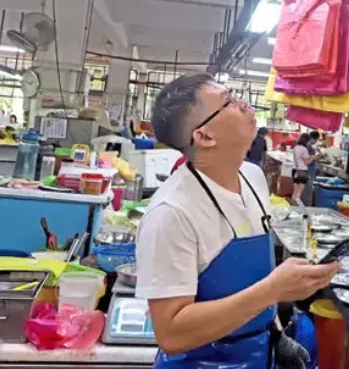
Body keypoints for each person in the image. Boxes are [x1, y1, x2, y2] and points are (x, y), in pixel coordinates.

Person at [136, 74, 337, 368]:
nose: (244, 104)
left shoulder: (253, 177)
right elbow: (171, 334)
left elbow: (255, 282)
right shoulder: (172, 213)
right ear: (204, 136)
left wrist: (279, 319)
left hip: (258, 354)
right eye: (228, 101)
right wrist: (274, 289)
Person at [292, 134, 318, 205]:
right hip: (302, 171)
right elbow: (307, 163)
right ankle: (298, 210)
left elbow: (296, 160)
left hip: (295, 170)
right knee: (299, 193)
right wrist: (312, 158)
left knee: (295, 192)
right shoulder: (304, 149)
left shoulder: (295, 147)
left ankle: (293, 208)